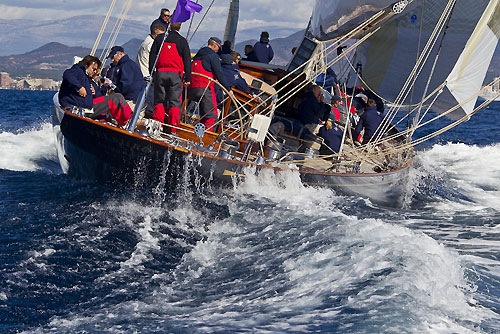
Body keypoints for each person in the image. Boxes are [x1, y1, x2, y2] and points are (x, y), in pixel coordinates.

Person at [148, 22, 191, 133]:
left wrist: (151, 71)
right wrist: (188, 78)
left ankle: (157, 126)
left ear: (169, 25)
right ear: (180, 27)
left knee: (159, 100)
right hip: (175, 75)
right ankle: (173, 129)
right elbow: (187, 61)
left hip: (160, 73)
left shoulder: (160, 38)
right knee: (175, 102)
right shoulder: (182, 41)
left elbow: (152, 55)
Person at [189, 37, 232, 131]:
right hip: (205, 89)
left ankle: (197, 135)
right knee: (212, 117)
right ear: (214, 45)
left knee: (204, 116)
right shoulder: (212, 56)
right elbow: (219, 73)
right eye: (218, 48)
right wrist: (228, 89)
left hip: (192, 89)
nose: (218, 51)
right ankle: (205, 139)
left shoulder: (197, 55)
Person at [107, 46, 145, 111]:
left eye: (113, 57)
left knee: (126, 119)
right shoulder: (130, 64)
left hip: (131, 99)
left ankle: (144, 122)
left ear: (121, 54)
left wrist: (115, 90)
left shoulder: (125, 65)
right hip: (139, 98)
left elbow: (126, 84)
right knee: (135, 119)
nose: (112, 60)